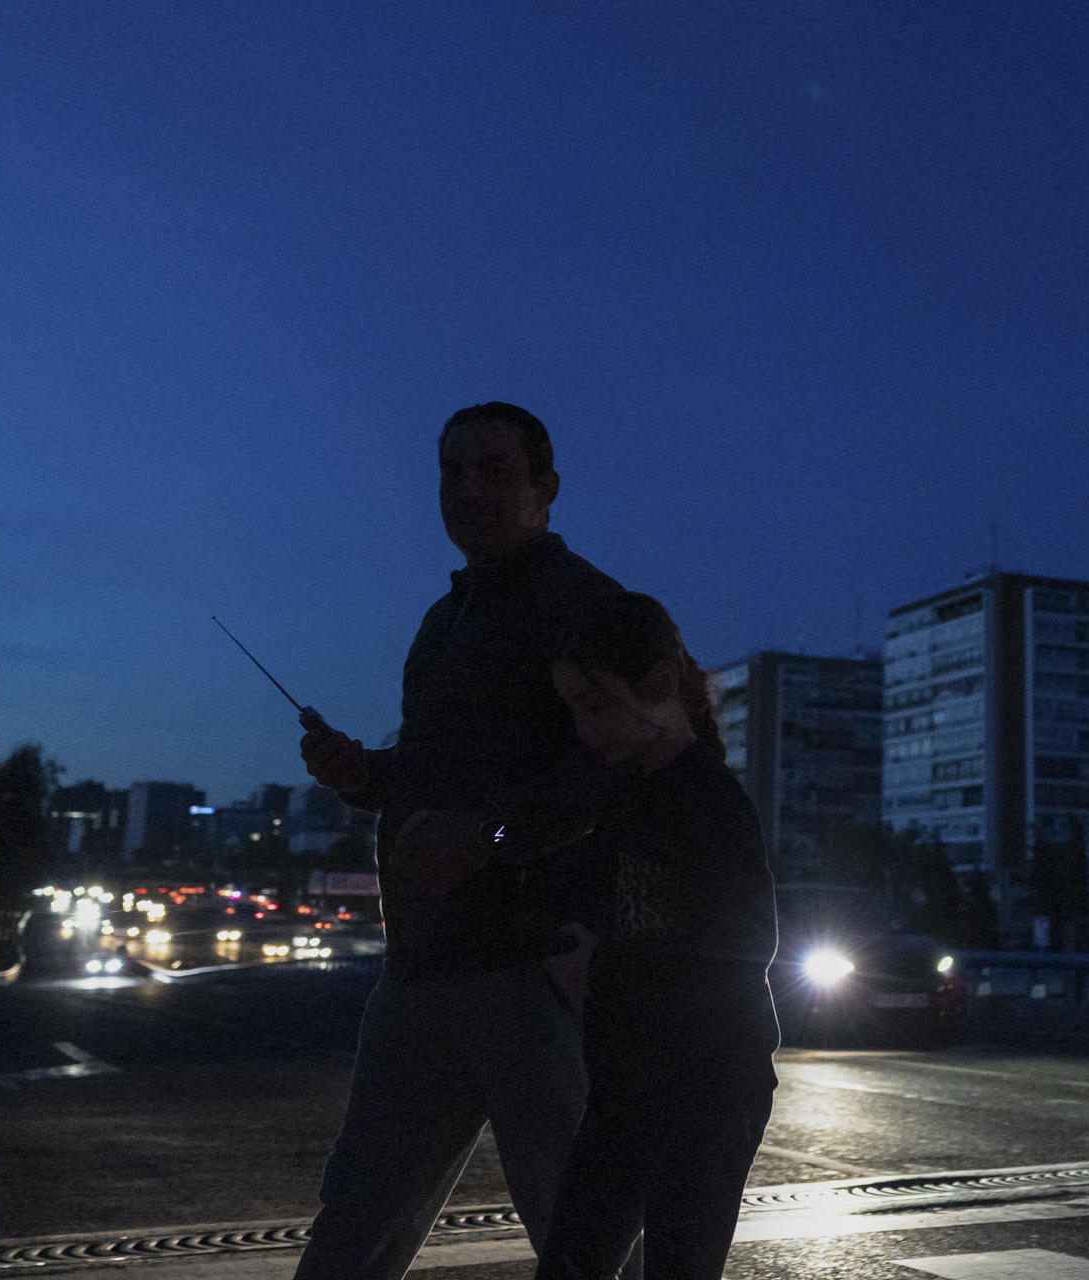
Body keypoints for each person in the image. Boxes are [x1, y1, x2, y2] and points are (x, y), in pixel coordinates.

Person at [293, 402, 629, 1280]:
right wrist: (362, 774)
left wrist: (490, 834)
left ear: (545, 490)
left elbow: (620, 775)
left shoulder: (590, 609)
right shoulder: (443, 623)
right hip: (421, 973)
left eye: (493, 469)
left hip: (532, 978)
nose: (469, 487)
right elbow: (434, 774)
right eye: (453, 471)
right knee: (356, 1219)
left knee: (579, 1237)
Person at [530, 592, 780, 1280]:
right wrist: (492, 834)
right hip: (630, 1087)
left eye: (598, 706)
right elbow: (542, 850)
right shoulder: (621, 790)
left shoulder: (707, 803)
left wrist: (596, 967)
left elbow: (743, 950)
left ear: (664, 688)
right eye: (575, 708)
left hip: (705, 1096)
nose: (585, 728)